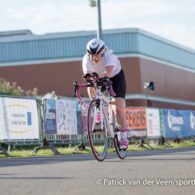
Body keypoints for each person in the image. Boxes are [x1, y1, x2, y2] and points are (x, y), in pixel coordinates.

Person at [82, 38, 128, 150]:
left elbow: (109, 72)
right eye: (91, 55)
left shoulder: (109, 56)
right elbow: (89, 79)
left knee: (118, 108)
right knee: (91, 84)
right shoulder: (86, 60)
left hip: (116, 78)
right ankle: (96, 107)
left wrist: (95, 77)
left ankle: (124, 137)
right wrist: (91, 80)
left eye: (96, 55)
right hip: (99, 77)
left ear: (102, 52)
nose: (94, 58)